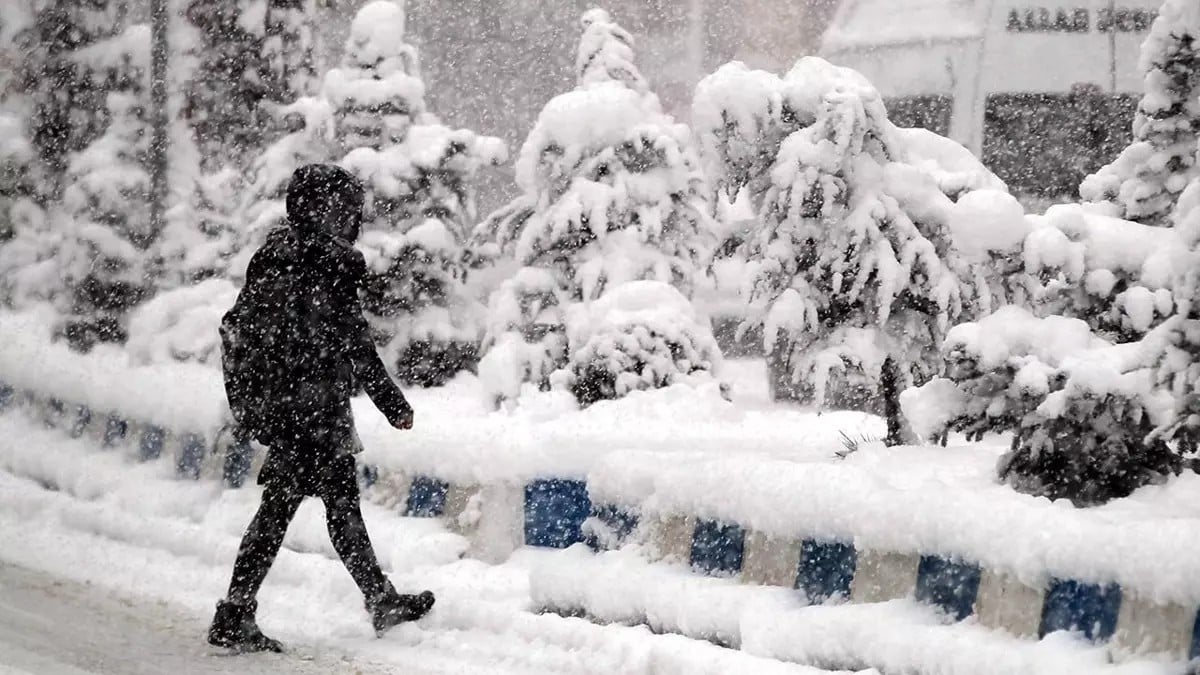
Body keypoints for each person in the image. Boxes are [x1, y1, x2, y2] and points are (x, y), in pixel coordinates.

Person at [208, 164, 434, 653]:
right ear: (326, 210)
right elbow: (355, 342)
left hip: (285, 407)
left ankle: (374, 600)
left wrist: (262, 401)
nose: (352, 219)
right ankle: (238, 610)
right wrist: (393, 404)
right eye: (347, 209)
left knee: (314, 505)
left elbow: (247, 329)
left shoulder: (273, 255)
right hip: (312, 410)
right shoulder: (327, 264)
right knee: (307, 509)